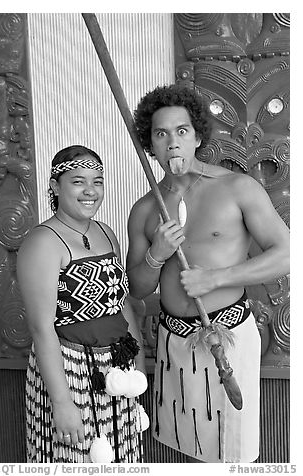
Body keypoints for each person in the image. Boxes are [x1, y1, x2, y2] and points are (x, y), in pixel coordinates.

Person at [126, 84, 290, 463]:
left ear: (197, 136)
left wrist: (216, 278)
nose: (172, 143)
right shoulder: (146, 209)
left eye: (181, 131)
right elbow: (136, 287)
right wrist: (156, 255)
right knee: (179, 445)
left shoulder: (237, 188)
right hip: (170, 340)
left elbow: (287, 254)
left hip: (227, 337)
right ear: (149, 142)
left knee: (232, 449)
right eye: (160, 133)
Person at [17, 145, 147, 463]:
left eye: (98, 181)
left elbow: (122, 303)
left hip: (119, 366)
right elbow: (41, 327)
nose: (91, 190)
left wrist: (138, 370)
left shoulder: (106, 232)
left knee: (122, 457)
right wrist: (61, 402)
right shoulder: (42, 241)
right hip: (70, 371)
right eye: (78, 181)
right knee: (76, 458)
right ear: (55, 186)